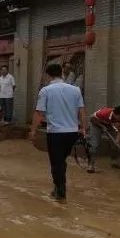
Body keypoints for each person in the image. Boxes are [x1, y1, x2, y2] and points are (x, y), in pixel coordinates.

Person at [29, 64, 87, 203]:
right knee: (61, 161)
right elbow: (82, 111)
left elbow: (39, 113)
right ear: (61, 73)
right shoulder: (75, 90)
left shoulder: (46, 90)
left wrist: (32, 131)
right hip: (72, 132)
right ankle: (59, 187)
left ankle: (60, 193)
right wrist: (84, 128)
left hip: (55, 133)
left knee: (56, 163)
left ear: (48, 75)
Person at [87, 105, 120, 173]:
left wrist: (117, 139)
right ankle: (91, 165)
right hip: (96, 123)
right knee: (95, 144)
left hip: (108, 124)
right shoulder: (104, 113)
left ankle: (114, 161)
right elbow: (92, 118)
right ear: (116, 114)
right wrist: (101, 126)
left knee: (115, 143)